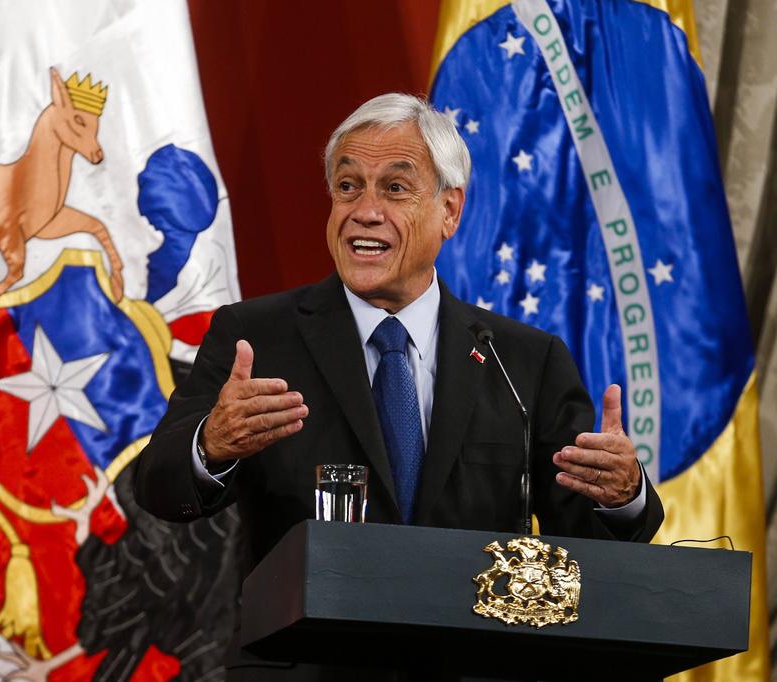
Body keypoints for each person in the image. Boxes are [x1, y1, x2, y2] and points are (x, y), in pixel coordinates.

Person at [133, 93, 664, 680]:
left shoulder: (523, 361)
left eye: (394, 188)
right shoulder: (256, 339)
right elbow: (159, 488)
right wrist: (210, 445)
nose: (365, 210)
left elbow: (588, 543)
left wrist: (622, 495)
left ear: (449, 211)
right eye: (348, 186)